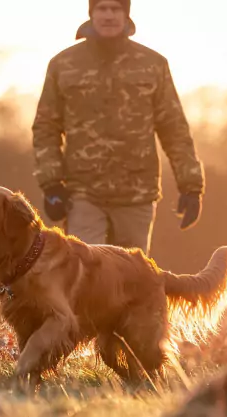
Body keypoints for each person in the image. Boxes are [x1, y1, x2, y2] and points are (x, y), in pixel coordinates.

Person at [31, 0, 204, 255]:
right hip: (82, 194)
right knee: (86, 274)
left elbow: (174, 129)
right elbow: (46, 127)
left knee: (131, 282)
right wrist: (52, 185)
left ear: (126, 14)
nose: (109, 15)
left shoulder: (153, 64)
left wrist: (191, 187)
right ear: (91, 13)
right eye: (102, 8)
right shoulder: (63, 64)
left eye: (116, 9)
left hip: (136, 195)